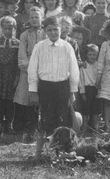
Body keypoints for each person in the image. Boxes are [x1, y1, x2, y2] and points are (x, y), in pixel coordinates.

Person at [28, 16, 80, 157]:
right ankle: (42, 151)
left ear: (61, 29)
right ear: (45, 31)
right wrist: (33, 90)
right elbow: (32, 68)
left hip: (63, 86)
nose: (53, 33)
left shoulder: (67, 46)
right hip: (45, 87)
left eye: (55, 30)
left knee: (62, 118)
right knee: (46, 118)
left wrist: (73, 91)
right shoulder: (39, 47)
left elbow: (74, 70)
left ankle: (62, 150)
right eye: (49, 30)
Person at [14, 6, 44, 143]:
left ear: (41, 18)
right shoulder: (24, 35)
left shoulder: (45, 33)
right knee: (25, 96)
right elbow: (21, 55)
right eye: (31, 17)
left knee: (41, 97)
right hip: (28, 69)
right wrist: (27, 68)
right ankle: (25, 127)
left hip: (43, 69)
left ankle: (39, 127)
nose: (34, 19)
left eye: (36, 17)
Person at [0, 16, 21, 135]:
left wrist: (17, 77)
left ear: (14, 28)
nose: (8, 31)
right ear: (1, 28)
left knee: (11, 100)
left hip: (12, 75)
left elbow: (19, 63)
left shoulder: (18, 44)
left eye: (10, 28)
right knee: (0, 100)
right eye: (5, 28)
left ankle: (9, 124)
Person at [78, 44, 101, 133]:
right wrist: (82, 93)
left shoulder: (98, 65)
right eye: (90, 54)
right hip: (87, 90)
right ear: (86, 55)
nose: (92, 57)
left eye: (94, 54)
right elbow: (81, 80)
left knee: (96, 110)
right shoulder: (84, 66)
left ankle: (96, 128)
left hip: (96, 90)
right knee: (86, 111)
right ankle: (84, 128)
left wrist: (99, 91)